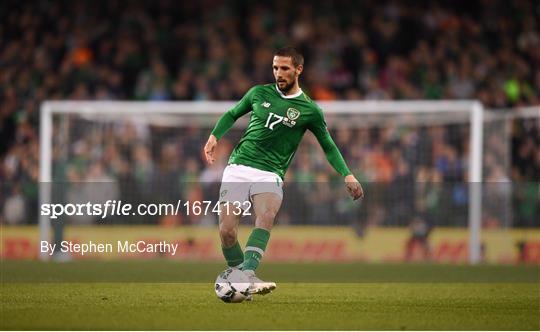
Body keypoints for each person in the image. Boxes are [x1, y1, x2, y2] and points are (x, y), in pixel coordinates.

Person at [203, 47, 364, 297]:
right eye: (276, 68)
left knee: (265, 215)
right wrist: (214, 136)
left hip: (270, 173)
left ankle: (247, 276)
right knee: (226, 231)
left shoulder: (309, 110)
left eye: (285, 68)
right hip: (239, 167)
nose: (279, 73)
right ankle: (240, 277)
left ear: (298, 70)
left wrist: (347, 174)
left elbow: (328, 146)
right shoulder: (259, 92)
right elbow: (233, 114)